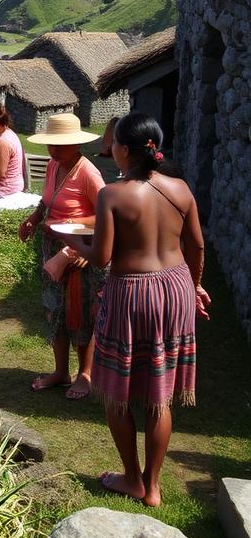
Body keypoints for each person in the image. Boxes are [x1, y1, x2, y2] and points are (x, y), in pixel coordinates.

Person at [71, 112, 208, 508]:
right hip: (176, 288)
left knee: (118, 392)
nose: (109, 148)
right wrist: (196, 285)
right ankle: (154, 485)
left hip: (132, 292)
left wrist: (74, 246)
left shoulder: (112, 194)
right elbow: (197, 245)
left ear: (125, 150)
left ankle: (133, 479)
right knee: (159, 394)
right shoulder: (180, 188)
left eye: (112, 143)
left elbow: (101, 258)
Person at [18, 111, 105, 399]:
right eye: (50, 145)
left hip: (78, 251)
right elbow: (47, 201)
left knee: (79, 312)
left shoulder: (88, 173)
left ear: (75, 144)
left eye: (59, 145)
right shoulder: (55, 166)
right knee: (54, 308)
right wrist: (33, 218)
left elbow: (107, 214)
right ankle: (60, 371)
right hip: (52, 246)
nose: (52, 151)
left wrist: (83, 240)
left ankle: (85, 374)